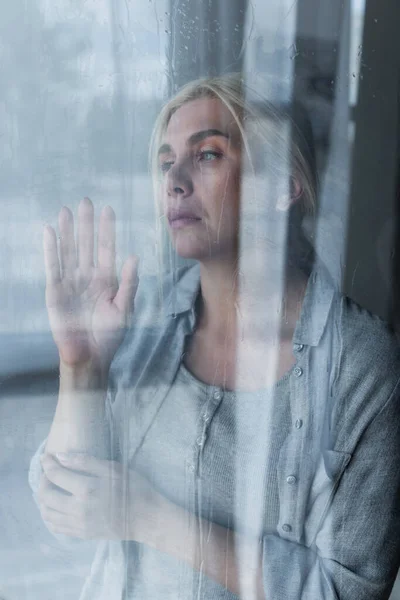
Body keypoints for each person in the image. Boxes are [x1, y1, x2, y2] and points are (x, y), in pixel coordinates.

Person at [29, 74, 400, 599]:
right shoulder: (142, 318)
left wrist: (148, 516)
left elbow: (346, 591)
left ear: (281, 187)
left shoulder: (363, 369)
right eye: (165, 163)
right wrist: (81, 366)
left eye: (207, 156)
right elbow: (63, 511)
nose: (174, 181)